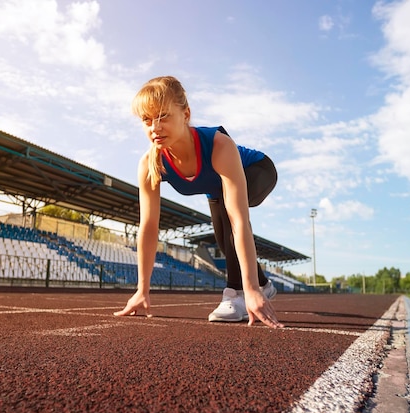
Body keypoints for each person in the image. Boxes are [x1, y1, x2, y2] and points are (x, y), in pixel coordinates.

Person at [114, 76, 283, 329]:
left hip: (257, 170)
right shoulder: (151, 164)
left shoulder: (218, 145)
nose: (154, 127)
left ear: (186, 114)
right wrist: (142, 289)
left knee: (230, 219)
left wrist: (249, 290)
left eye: (163, 116)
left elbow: (239, 221)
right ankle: (265, 286)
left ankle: (235, 294)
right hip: (216, 189)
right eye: (147, 120)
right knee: (226, 246)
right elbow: (148, 227)